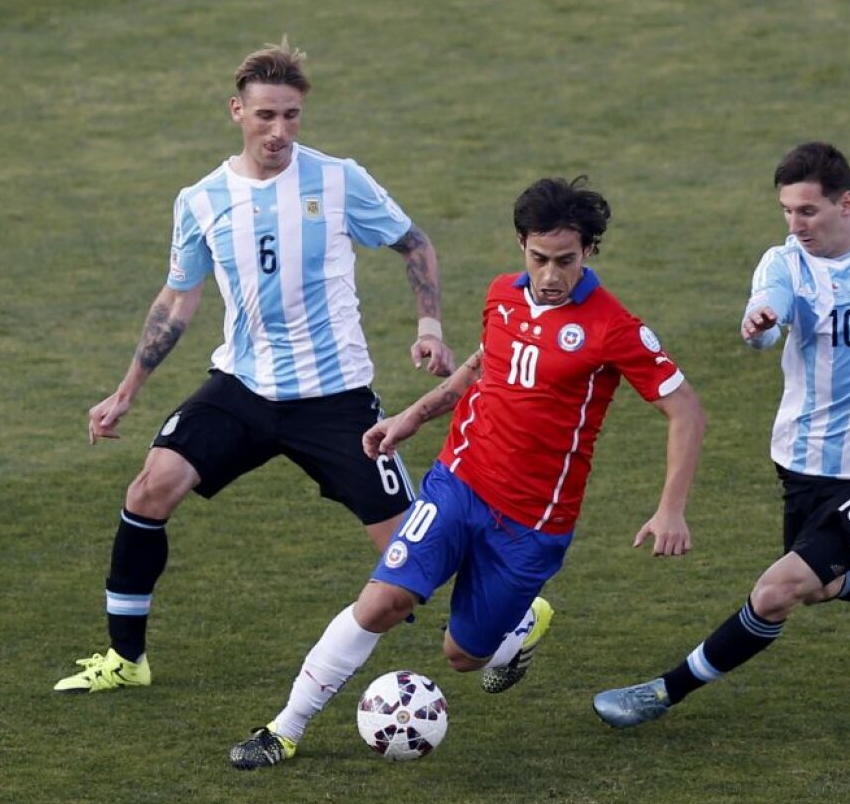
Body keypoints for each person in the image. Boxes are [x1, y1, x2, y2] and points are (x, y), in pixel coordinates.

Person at [227, 175, 707, 769]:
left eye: (565, 261)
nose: (551, 275)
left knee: (462, 656)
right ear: (520, 247)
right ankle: (283, 728)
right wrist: (414, 415)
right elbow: (485, 365)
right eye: (539, 259)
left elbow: (684, 407)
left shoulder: (614, 328)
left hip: (533, 523)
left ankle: (521, 624)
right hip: (459, 481)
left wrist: (671, 508)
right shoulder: (503, 294)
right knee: (383, 603)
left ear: (588, 252)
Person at [54, 39, 456, 694]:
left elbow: (413, 243)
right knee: (150, 487)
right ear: (236, 110)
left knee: (408, 554)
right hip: (243, 386)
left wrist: (430, 327)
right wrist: (128, 389)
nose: (279, 130)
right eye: (266, 115)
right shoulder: (203, 199)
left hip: (335, 398)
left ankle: (515, 617)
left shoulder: (337, 178)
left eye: (292, 115)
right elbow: (178, 297)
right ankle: (126, 658)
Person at [592, 141, 850, 729]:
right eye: (786, 210)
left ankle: (660, 693)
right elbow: (766, 313)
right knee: (824, 586)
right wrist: (760, 324)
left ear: (845, 203)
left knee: (779, 590)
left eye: (807, 211)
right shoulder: (784, 262)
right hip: (803, 464)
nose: (794, 224)